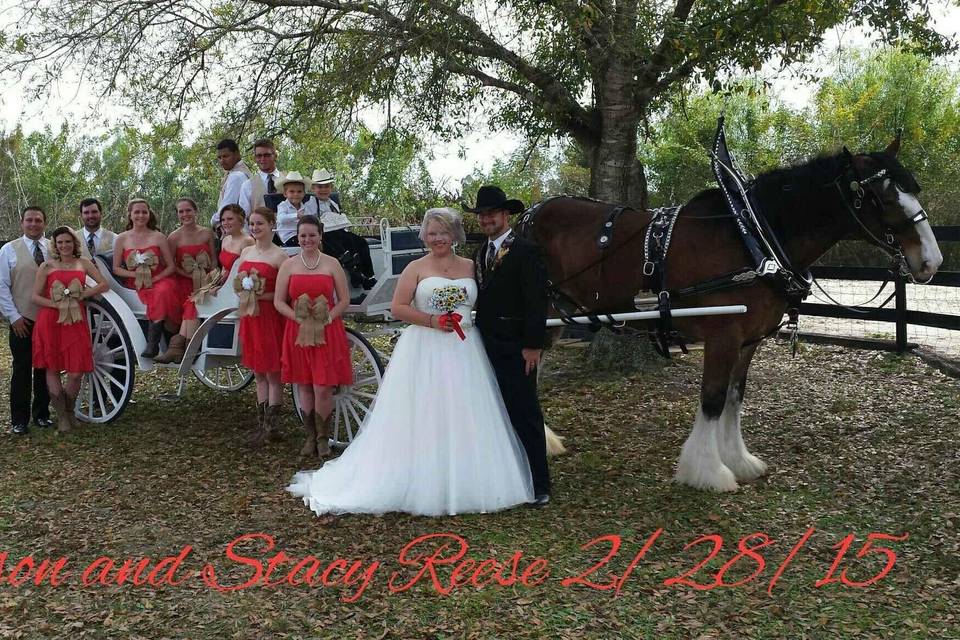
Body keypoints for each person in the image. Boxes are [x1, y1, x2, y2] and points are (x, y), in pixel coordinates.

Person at [286, 208, 534, 516]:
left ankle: (465, 476)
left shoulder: (472, 265)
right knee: (425, 410)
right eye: (431, 233)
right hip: (425, 347)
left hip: (465, 349)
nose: (437, 238)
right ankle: (421, 474)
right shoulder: (416, 267)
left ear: (454, 235)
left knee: (464, 409)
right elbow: (399, 307)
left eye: (443, 232)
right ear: (425, 237)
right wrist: (431, 319)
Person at [468, 185, 551, 507]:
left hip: (517, 346)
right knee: (496, 411)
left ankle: (540, 483)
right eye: (483, 215)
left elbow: (536, 302)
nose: (487, 220)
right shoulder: (480, 253)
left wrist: (533, 345)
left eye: (492, 214)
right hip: (484, 344)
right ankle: (508, 475)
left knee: (525, 411)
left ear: (506, 215)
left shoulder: (527, 251)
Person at [274, 215, 353, 459]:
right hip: (298, 332)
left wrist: (329, 317)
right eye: (303, 235)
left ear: (320, 236)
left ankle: (323, 438)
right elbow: (278, 301)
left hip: (326, 331)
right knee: (305, 385)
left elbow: (344, 300)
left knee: (323, 387)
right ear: (297, 237)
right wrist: (296, 318)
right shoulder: (288, 265)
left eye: (312, 235)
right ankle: (310, 436)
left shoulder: (332, 264)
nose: (307, 239)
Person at [30, 227, 109, 432]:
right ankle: (63, 417)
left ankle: (70, 410)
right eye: (60, 242)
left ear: (74, 243)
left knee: (75, 372)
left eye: (67, 242)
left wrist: (84, 294)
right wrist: (55, 304)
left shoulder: (83, 263)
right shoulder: (47, 266)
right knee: (53, 367)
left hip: (76, 321)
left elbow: (103, 284)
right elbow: (35, 297)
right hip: (51, 321)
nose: (64, 246)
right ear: (55, 245)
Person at [235, 207, 288, 445]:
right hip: (250, 316)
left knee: (272, 373)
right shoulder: (246, 252)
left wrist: (260, 295)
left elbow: (284, 293)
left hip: (269, 316)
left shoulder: (280, 257)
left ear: (271, 225)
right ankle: (261, 425)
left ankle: (272, 427)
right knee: (258, 373)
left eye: (260, 224)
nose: (255, 228)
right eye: (252, 224)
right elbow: (238, 282)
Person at [0, 206, 53, 434]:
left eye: (38, 220)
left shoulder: (55, 247)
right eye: (29, 220)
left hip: (49, 319)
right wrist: (14, 317)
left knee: (45, 368)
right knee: (22, 369)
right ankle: (19, 420)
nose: (34, 224)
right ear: (22, 223)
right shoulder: (8, 250)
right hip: (22, 320)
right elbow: (2, 286)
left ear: (44, 223)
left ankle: (42, 414)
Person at [112, 199, 181, 358]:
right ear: (130, 215)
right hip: (136, 281)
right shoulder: (122, 238)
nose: (141, 215)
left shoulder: (158, 237)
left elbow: (170, 266)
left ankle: (154, 342)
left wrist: (155, 279)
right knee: (157, 293)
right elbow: (116, 268)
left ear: (149, 214)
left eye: (144, 212)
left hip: (160, 278)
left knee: (163, 290)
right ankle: (160, 341)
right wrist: (136, 275)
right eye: (137, 212)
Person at [153, 198, 216, 364]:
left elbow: (214, 261)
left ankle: (179, 345)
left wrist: (210, 279)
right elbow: (171, 265)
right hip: (183, 281)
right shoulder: (173, 237)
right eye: (181, 211)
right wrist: (190, 276)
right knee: (191, 301)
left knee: (194, 300)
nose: (185, 214)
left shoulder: (207, 233)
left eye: (188, 210)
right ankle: (187, 346)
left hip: (206, 281)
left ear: (196, 211)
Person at [311, 169, 376, 290]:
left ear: (331, 188)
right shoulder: (311, 203)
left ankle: (369, 275)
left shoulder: (333, 204)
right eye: (320, 187)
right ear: (313, 189)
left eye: (326, 186)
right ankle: (356, 275)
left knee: (361, 242)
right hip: (325, 234)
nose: (323, 190)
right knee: (340, 249)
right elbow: (310, 220)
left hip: (339, 231)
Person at [210, 139, 255, 233]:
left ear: (237, 154)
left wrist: (213, 221)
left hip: (238, 232)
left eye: (226, 156)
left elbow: (226, 208)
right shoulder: (240, 172)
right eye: (219, 157)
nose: (222, 161)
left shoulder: (236, 176)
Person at [239, 138, 282, 217]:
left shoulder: (288, 180)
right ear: (255, 159)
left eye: (267, 155)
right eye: (259, 156)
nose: (263, 159)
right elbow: (244, 216)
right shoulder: (247, 185)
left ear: (275, 156)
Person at [275, 171, 318, 246]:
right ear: (285, 194)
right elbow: (281, 219)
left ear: (304, 193)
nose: (296, 194)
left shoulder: (304, 207)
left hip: (304, 235)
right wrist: (296, 215)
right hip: (289, 236)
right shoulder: (283, 206)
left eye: (299, 191)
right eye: (292, 191)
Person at [217, 204, 254, 275]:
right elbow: (223, 268)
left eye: (230, 219)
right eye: (223, 220)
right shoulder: (225, 240)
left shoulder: (248, 241)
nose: (225, 223)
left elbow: (249, 270)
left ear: (240, 220)